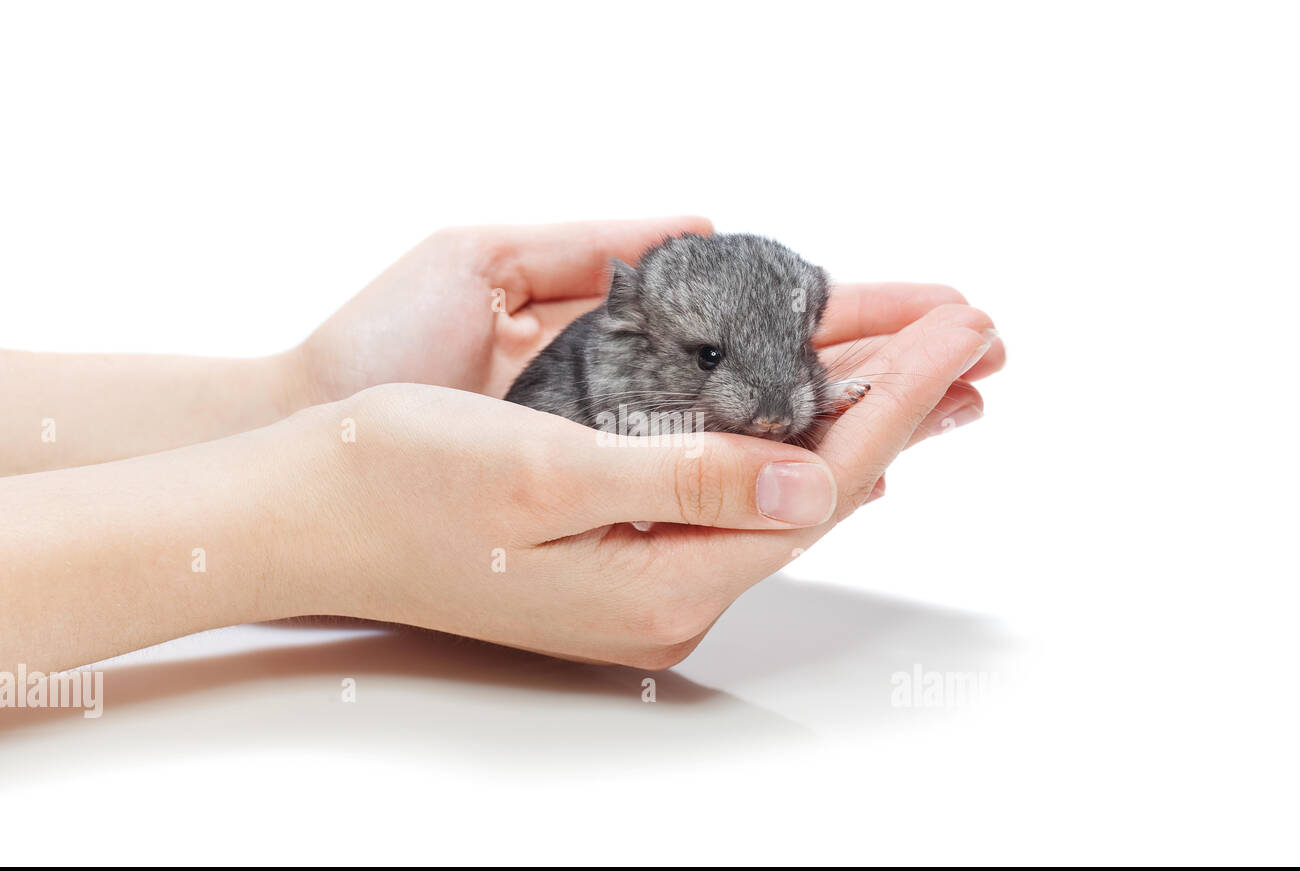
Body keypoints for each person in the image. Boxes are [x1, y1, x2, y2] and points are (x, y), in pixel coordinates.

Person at [0, 217, 1003, 671]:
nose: (779, 396)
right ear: (635, 329)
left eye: (790, 349)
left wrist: (295, 400)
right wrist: (330, 522)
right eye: (706, 356)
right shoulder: (601, 375)